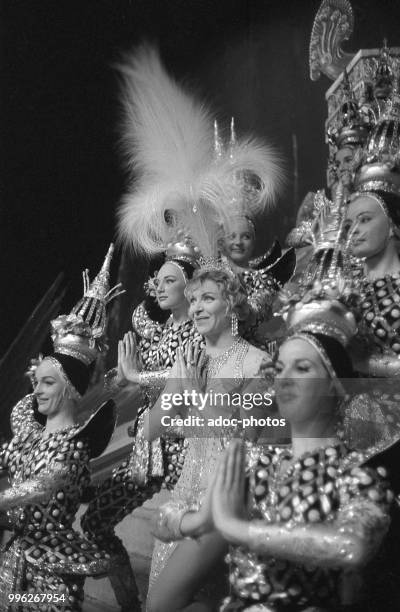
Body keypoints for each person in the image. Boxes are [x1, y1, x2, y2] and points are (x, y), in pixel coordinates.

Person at [211, 301, 398, 611]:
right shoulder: (259, 461)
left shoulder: (357, 477)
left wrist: (237, 529)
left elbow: (351, 546)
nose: (283, 380)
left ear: (334, 386)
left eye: (302, 368)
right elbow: (204, 520)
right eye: (279, 368)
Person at [145, 266, 273, 612]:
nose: (197, 307)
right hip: (184, 493)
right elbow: (150, 429)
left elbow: (246, 441)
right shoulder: (188, 356)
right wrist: (175, 394)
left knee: (163, 604)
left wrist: (195, 397)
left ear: (231, 305)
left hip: (226, 496)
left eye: (209, 298)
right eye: (194, 299)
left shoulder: (256, 363)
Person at [0, 246, 121, 612]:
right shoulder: (27, 431)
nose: (35, 390)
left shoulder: (75, 444)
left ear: (70, 389)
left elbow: (42, 486)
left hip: (51, 570)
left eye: (47, 383)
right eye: (36, 381)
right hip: (12, 560)